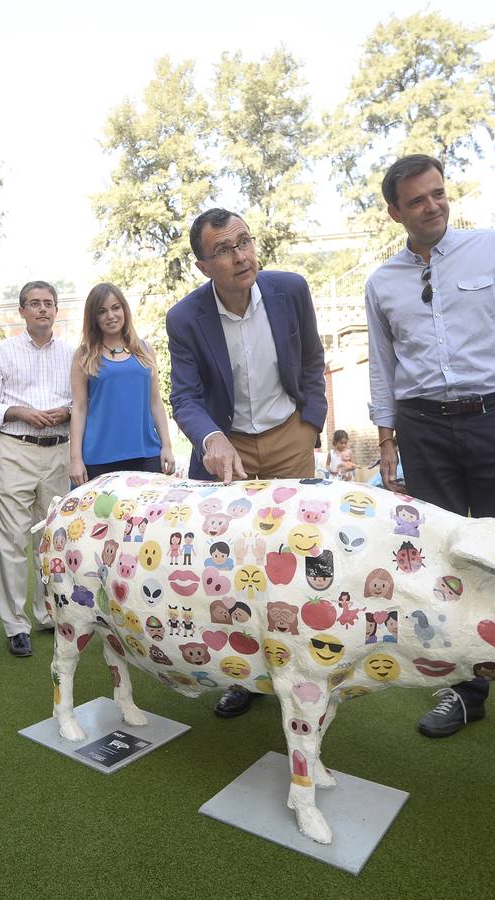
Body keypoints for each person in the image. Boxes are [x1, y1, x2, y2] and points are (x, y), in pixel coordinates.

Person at [365, 154, 495, 764]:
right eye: (418, 200)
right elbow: (383, 367)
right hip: (423, 429)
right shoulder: (381, 283)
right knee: (443, 563)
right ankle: (463, 688)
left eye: (439, 194)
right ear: (395, 211)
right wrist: (388, 446)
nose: (433, 206)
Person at [166, 207, 327, 719]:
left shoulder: (290, 291)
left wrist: (311, 422)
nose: (241, 256)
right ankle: (246, 675)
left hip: (289, 438)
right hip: (227, 454)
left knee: (296, 557)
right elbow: (185, 397)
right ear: (202, 265)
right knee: (235, 567)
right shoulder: (185, 318)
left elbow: (313, 359)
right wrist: (211, 438)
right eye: (224, 250)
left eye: (245, 242)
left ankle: (305, 666)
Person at [0, 281, 74, 657]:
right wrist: (19, 412)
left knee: (50, 539)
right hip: (15, 449)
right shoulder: (1, 352)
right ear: (22, 311)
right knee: (13, 539)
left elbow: (80, 399)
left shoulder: (71, 353)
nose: (42, 309)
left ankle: (46, 612)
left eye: (48, 303)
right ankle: (16, 624)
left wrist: (65, 412)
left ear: (56, 310)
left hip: (58, 451)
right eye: (34, 304)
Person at [70, 283, 175, 484]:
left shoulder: (144, 350)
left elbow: (155, 403)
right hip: (99, 458)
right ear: (94, 317)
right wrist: (76, 459)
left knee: (146, 515)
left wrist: (167, 446)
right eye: (102, 311)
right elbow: (79, 409)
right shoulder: (84, 356)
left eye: (115, 307)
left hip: (147, 454)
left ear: (124, 310)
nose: (111, 315)